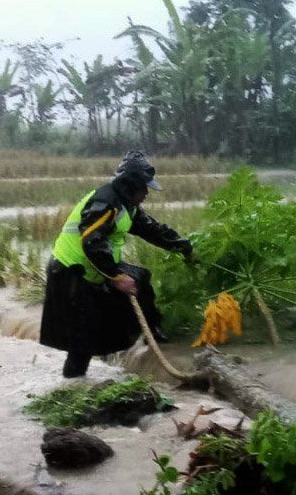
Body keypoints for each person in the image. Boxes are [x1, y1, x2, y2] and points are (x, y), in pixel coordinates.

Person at [40, 150, 193, 378]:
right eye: (144, 188)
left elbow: (150, 229)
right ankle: (72, 386)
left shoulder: (127, 206)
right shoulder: (105, 203)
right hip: (70, 273)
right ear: (130, 185)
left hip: (95, 267)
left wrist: (182, 246)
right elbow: (91, 242)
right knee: (82, 343)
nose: (147, 194)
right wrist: (117, 277)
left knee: (141, 279)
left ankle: (151, 332)